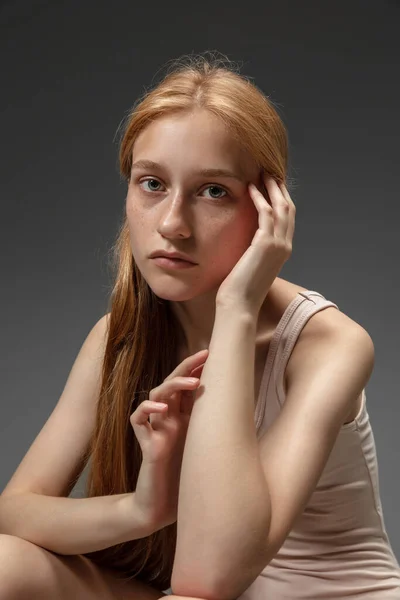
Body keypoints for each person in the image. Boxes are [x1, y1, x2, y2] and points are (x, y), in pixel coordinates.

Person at [0, 51, 399, 600]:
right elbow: (15, 513)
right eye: (152, 184)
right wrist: (142, 509)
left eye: (214, 191)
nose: (172, 225)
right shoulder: (120, 336)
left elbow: (208, 577)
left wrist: (237, 307)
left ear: (269, 208)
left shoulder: (330, 347)